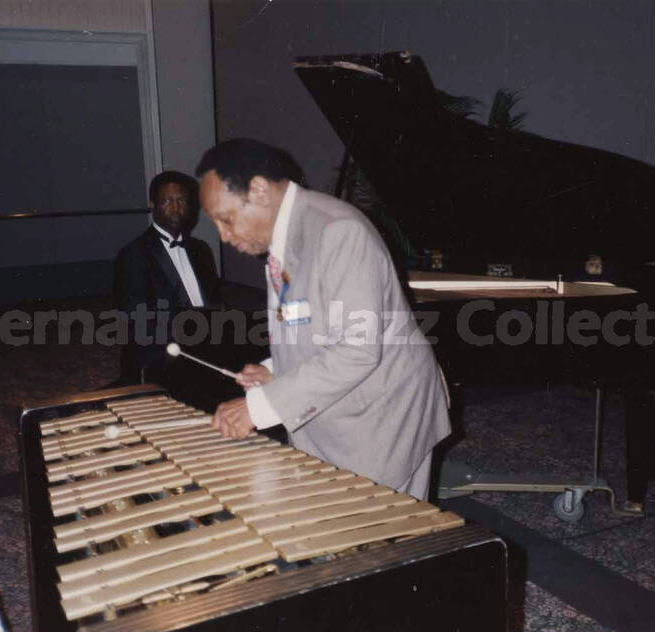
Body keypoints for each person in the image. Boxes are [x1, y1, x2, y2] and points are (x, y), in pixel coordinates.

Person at [195, 139, 450, 500]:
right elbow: (308, 317)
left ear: (259, 190)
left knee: (385, 534)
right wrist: (276, 368)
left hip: (383, 413)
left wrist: (260, 408)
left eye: (225, 218)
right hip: (349, 403)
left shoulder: (337, 232)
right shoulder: (288, 231)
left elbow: (355, 351)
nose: (223, 235)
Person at [113, 170, 264, 408]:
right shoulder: (134, 255)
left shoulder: (200, 249)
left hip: (207, 337)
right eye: (168, 201)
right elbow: (138, 317)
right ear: (153, 205)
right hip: (165, 346)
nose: (176, 207)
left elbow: (216, 291)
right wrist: (196, 331)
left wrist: (257, 303)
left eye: (182, 201)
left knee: (264, 341)